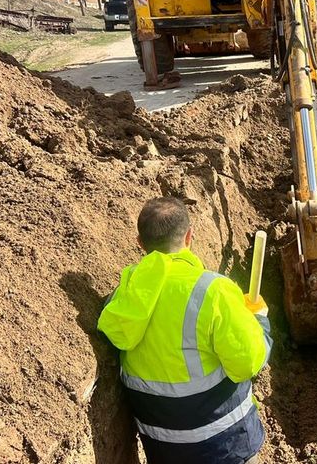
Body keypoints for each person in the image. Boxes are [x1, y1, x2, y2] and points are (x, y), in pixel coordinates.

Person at [98, 197, 272, 464]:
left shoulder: (124, 296)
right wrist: (259, 320)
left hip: (164, 451)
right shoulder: (214, 291)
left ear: (140, 244)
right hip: (225, 447)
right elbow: (247, 364)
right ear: (189, 236)